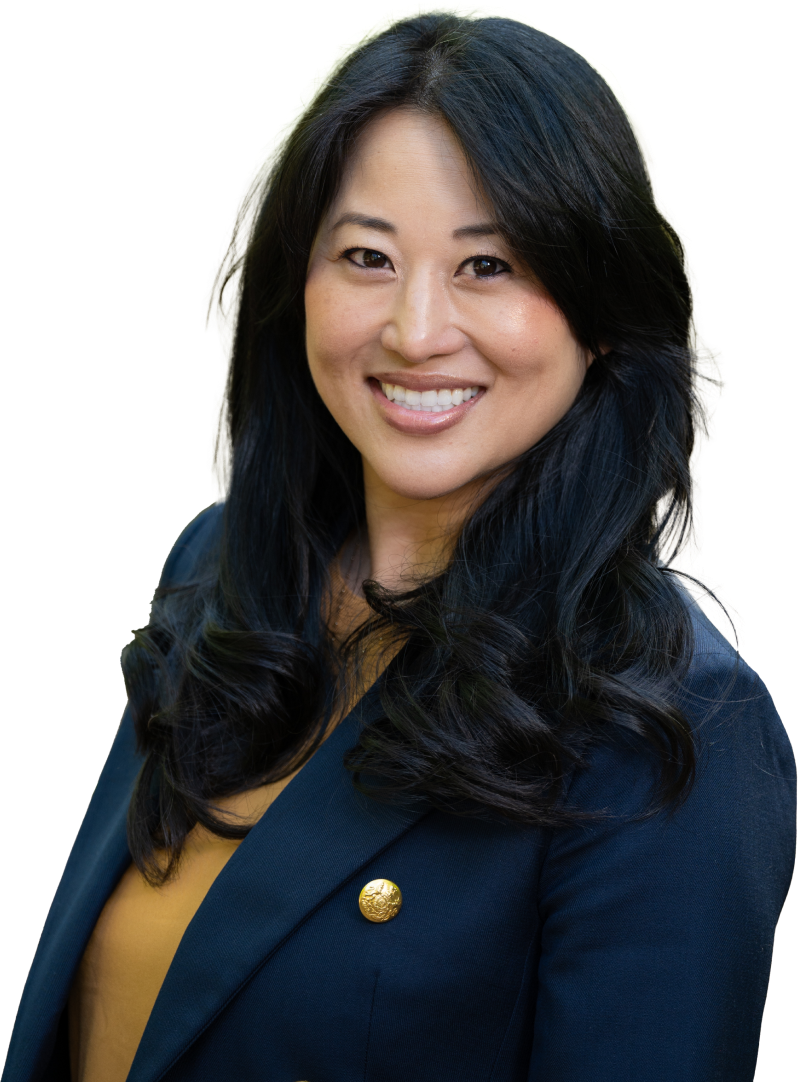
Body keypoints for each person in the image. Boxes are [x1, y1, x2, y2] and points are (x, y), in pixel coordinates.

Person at [6, 7, 794, 1081]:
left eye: (490, 265)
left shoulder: (665, 720)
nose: (415, 329)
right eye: (367, 256)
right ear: (300, 287)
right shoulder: (222, 565)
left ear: (601, 310)